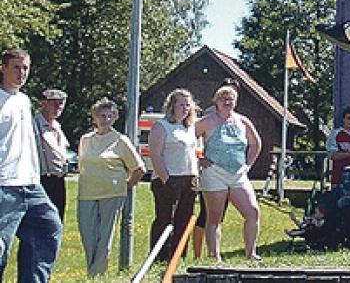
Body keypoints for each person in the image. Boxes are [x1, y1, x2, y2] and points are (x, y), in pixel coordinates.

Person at [0, 49, 63, 282]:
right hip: (4, 186)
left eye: (25, 67)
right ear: (3, 68)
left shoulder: (24, 100)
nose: (21, 73)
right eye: (16, 67)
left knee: (49, 229)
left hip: (31, 185)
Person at [77, 98, 146, 276]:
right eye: (102, 116)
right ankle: (92, 269)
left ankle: (95, 274)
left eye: (110, 116)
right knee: (88, 234)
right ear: (94, 118)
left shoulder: (120, 140)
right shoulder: (85, 140)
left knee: (104, 236)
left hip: (112, 193)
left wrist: (127, 186)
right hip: (87, 193)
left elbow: (139, 169)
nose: (105, 120)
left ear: (115, 118)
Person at [196, 84, 263, 261]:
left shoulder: (243, 121)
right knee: (214, 216)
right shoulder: (207, 121)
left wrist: (248, 164)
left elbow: (256, 144)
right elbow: (188, 140)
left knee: (252, 212)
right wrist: (199, 159)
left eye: (230, 99)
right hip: (214, 172)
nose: (227, 102)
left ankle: (250, 253)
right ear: (216, 101)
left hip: (238, 173)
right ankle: (214, 255)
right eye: (223, 98)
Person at [148, 88, 199, 262]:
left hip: (189, 178)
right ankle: (160, 258)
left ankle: (179, 257)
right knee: (165, 220)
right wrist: (166, 180)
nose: (185, 108)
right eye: (181, 104)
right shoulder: (161, 126)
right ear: (172, 106)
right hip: (168, 179)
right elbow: (156, 154)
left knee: (184, 221)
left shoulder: (190, 127)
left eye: (188, 105)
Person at [34, 88, 70, 221]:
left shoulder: (57, 127)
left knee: (57, 220)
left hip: (58, 180)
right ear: (43, 103)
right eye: (54, 103)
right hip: (42, 180)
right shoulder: (34, 126)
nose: (58, 107)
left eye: (61, 103)